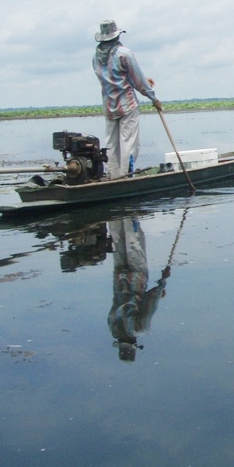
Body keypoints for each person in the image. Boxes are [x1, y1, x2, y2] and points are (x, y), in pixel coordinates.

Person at [93, 19, 162, 179]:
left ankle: (112, 175)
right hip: (127, 106)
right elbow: (138, 81)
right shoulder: (124, 54)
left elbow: (116, 77)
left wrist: (144, 80)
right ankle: (126, 177)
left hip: (109, 106)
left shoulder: (95, 58)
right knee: (128, 144)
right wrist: (154, 98)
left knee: (111, 145)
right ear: (116, 36)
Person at [107, 217, 170, 362]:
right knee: (117, 240)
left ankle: (129, 212)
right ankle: (115, 216)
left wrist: (162, 283)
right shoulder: (113, 328)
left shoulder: (140, 328)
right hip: (119, 279)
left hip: (136, 279)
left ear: (134, 344)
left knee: (134, 241)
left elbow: (151, 301)